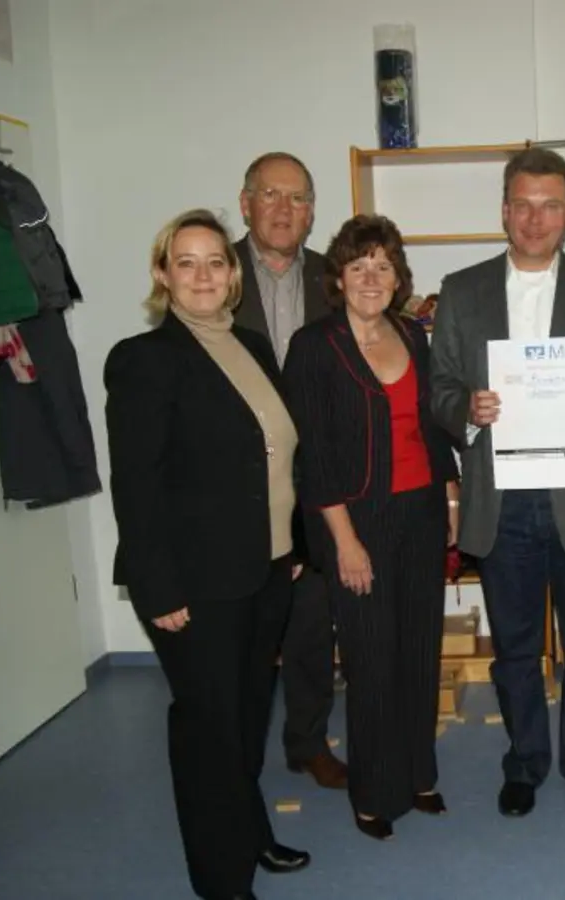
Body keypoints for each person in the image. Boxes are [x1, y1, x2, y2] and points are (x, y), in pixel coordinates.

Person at [104, 209, 310, 899]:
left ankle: (249, 834)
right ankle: (221, 880)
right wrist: (156, 589)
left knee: (248, 721)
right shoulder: (144, 359)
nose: (202, 275)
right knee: (207, 732)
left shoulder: (249, 346)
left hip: (267, 570)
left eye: (215, 262)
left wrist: (296, 545)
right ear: (163, 275)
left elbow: (278, 459)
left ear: (234, 276)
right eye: (185, 262)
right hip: (196, 585)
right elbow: (136, 485)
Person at [428, 147, 565, 818]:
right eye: (523, 204)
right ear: (504, 211)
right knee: (515, 649)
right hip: (503, 500)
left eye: (551, 205)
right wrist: (469, 408)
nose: (536, 218)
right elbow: (439, 390)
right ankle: (523, 763)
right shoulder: (461, 290)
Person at [282, 215, 459, 841]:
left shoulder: (412, 334)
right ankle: (373, 791)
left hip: (420, 511)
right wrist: (345, 542)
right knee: (371, 658)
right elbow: (316, 454)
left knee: (418, 649)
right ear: (338, 276)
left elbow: (433, 426)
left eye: (383, 266)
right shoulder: (314, 345)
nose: (371, 278)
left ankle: (418, 775)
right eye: (358, 266)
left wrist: (451, 492)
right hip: (356, 518)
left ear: (399, 277)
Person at [232, 151, 345, 790]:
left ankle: (308, 742)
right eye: (269, 194)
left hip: (312, 487)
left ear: (312, 211)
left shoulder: (335, 278)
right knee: (241, 633)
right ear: (245, 202)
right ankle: (235, 749)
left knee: (309, 626)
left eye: (298, 197)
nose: (283, 209)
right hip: (235, 489)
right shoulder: (211, 270)